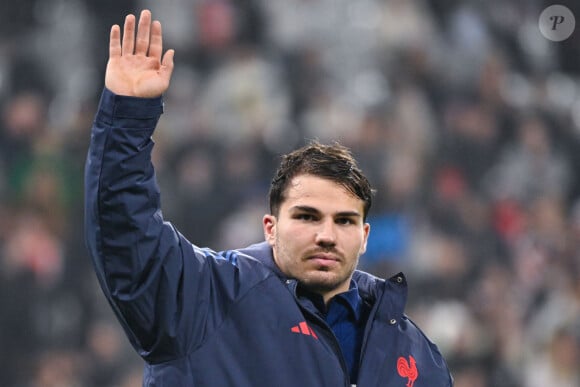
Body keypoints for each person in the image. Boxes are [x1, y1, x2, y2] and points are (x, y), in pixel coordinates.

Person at [84, 9, 453, 387]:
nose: (326, 235)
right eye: (307, 217)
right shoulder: (209, 299)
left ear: (365, 237)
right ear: (270, 228)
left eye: (344, 220)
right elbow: (125, 234)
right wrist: (128, 117)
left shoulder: (414, 353)